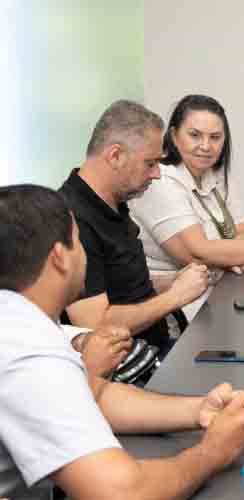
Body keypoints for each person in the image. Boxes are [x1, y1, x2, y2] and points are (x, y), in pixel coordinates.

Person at [0, 184, 244, 500]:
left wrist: (199, 410)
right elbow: (123, 493)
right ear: (60, 257)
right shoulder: (29, 350)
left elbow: (95, 395)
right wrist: (213, 452)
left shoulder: (22, 320)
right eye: (79, 242)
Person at [129, 95, 244, 319]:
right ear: (174, 136)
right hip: (170, 308)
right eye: (194, 135)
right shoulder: (160, 180)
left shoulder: (216, 175)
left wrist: (227, 256)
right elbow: (197, 252)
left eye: (215, 137)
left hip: (217, 294)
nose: (206, 146)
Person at [59, 100, 210, 358]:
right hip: (132, 369)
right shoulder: (72, 219)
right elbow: (95, 324)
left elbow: (120, 285)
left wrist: (171, 281)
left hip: (157, 348)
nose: (156, 175)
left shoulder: (115, 201)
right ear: (115, 155)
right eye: (149, 163)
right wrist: (176, 296)